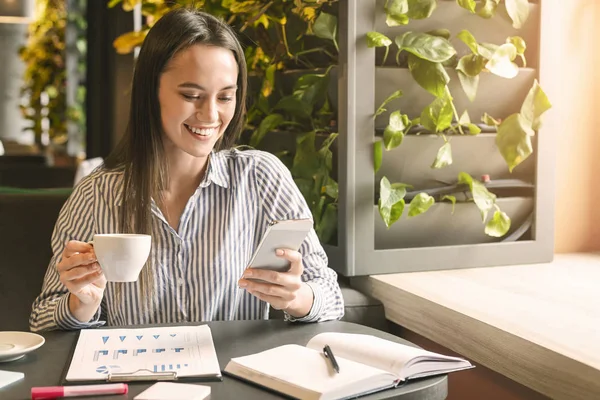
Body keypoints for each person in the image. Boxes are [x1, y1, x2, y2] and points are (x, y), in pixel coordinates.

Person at [29, 7, 344, 332]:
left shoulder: (260, 177)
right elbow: (42, 318)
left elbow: (331, 296)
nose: (210, 115)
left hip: (232, 378)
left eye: (225, 97)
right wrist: (81, 304)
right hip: (136, 379)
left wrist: (297, 297)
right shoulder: (97, 193)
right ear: (151, 92)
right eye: (191, 95)